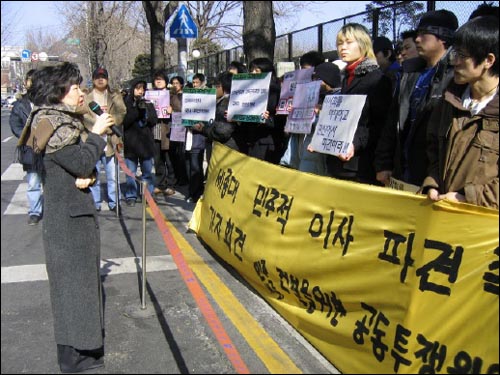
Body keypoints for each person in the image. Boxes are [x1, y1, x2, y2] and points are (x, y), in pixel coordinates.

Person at [18, 62, 114, 373]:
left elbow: (74, 167)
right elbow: (83, 161)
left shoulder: (55, 121)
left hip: (68, 214)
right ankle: (79, 356)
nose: (81, 92)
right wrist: (98, 134)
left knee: (75, 285)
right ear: (58, 93)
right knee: (74, 287)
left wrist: (86, 174)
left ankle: (80, 352)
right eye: (75, 88)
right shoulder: (56, 126)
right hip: (68, 221)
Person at [375, 10, 458, 188]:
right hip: (403, 171)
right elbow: (393, 121)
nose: (417, 39)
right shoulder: (409, 73)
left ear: (443, 37)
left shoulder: (456, 76)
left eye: (423, 34)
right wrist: (383, 163)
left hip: (435, 177)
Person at [421, 16, 498, 209]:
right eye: (454, 53)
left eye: (462, 55)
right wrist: (432, 183)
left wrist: (469, 198)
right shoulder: (449, 99)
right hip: (442, 214)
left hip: (483, 227)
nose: (454, 62)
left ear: (488, 60)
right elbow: (432, 149)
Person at [324, 23, 393, 185]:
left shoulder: (377, 79)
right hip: (337, 162)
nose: (343, 48)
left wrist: (355, 144)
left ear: (363, 44)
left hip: (360, 166)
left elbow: (380, 125)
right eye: (340, 43)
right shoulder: (344, 78)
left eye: (349, 42)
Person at [83, 67, 127, 212]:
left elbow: (121, 112)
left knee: (113, 175)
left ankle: (115, 202)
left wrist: (107, 125)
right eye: (97, 77)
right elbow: (83, 115)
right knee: (93, 174)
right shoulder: (86, 95)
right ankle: (95, 203)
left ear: (107, 79)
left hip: (110, 139)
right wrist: (97, 127)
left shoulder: (115, 95)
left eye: (103, 76)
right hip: (92, 138)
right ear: (93, 79)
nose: (100, 79)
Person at [230, 57, 285, 164]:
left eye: (257, 70)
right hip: (249, 139)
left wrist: (267, 119)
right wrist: (234, 115)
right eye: (251, 70)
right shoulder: (246, 91)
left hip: (267, 142)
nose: (253, 73)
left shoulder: (275, 91)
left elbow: (280, 120)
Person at [280, 50, 325, 169]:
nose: (303, 73)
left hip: (314, 154)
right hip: (297, 148)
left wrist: (318, 113)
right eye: (302, 68)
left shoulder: (325, 94)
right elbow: (287, 131)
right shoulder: (298, 91)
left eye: (306, 69)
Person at [10, 69, 43, 225]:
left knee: (51, 182)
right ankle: (35, 211)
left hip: (48, 148)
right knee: (33, 182)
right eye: (30, 81)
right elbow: (14, 124)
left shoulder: (47, 101)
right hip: (30, 149)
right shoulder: (20, 104)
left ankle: (53, 210)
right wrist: (25, 136)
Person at [299, 61, 342, 176]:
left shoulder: (340, 98)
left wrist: (320, 113)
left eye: (317, 78)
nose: (314, 82)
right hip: (310, 155)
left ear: (328, 80)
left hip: (325, 159)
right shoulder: (316, 96)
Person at [122, 78, 158, 206]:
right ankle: (131, 195)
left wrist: (146, 114)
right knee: (130, 173)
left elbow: (154, 120)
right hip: (131, 144)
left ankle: (147, 194)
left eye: (142, 88)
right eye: (138, 88)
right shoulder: (125, 103)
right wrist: (136, 110)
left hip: (146, 144)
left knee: (147, 173)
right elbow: (124, 122)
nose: (140, 91)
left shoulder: (148, 103)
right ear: (133, 89)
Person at [151, 69, 176, 197]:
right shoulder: (150, 95)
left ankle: (170, 184)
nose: (158, 81)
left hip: (168, 131)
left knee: (169, 159)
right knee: (158, 160)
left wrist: (173, 110)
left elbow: (180, 111)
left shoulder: (172, 95)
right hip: (155, 130)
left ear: (166, 81)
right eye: (156, 79)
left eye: (161, 79)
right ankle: (160, 184)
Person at [167, 76, 189, 186]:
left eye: (176, 83)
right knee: (173, 154)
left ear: (181, 84)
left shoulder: (185, 96)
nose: (174, 85)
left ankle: (183, 178)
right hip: (172, 127)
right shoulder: (170, 96)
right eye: (173, 83)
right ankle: (175, 176)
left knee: (182, 154)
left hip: (182, 127)